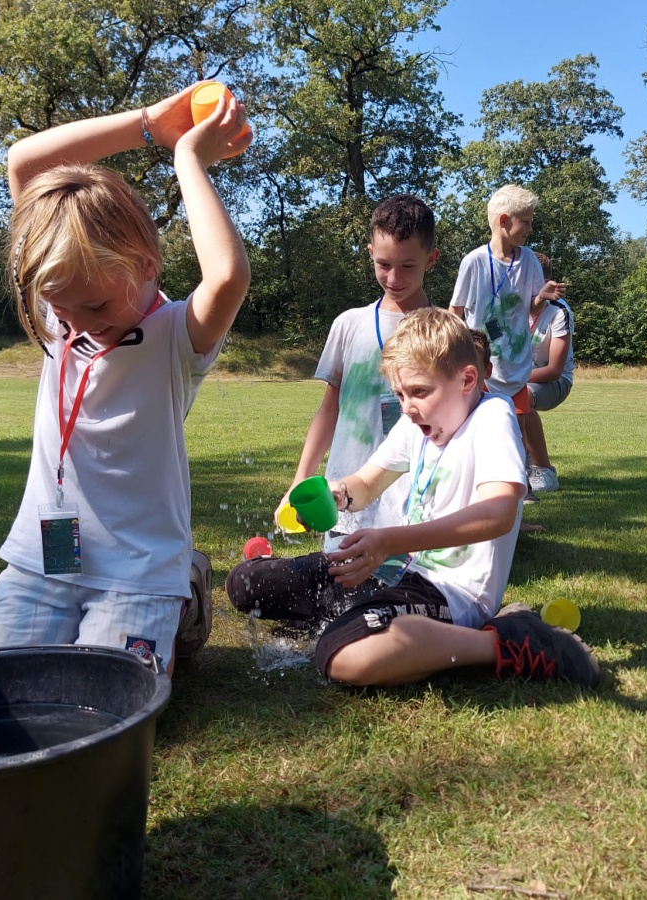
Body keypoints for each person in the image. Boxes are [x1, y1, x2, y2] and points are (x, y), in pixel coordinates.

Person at [0, 83, 253, 675]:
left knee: (103, 705)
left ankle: (183, 596)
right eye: (58, 307)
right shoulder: (63, 309)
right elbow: (24, 161)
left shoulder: (178, 336)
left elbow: (226, 276)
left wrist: (187, 158)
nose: (73, 323)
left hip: (139, 570)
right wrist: (148, 121)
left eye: (94, 308)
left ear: (146, 265)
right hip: (45, 562)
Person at [228, 309, 600, 688]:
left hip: (453, 594)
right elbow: (367, 484)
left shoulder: (492, 417)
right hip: (397, 574)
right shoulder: (415, 424)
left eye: (419, 392)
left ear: (467, 380)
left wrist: (390, 541)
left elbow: (500, 513)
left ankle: (510, 639)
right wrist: (338, 494)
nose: (407, 406)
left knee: (343, 658)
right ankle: (362, 622)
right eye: (400, 394)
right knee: (247, 583)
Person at [279, 195, 440, 552]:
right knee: (340, 594)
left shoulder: (445, 332)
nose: (394, 277)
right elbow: (329, 408)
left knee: (400, 599)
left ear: (432, 259)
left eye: (408, 266)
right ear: (369, 252)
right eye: (384, 264)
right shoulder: (350, 324)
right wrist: (302, 476)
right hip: (345, 493)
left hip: (414, 501)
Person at [450, 185, 562, 427]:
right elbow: (454, 315)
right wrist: (462, 358)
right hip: (482, 369)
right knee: (482, 431)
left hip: (517, 370)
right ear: (504, 220)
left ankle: (525, 466)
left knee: (517, 435)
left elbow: (532, 310)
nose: (530, 229)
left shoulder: (529, 258)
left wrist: (542, 296)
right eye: (525, 222)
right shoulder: (474, 262)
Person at [522, 251, 573, 493]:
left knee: (521, 397)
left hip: (555, 382)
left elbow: (555, 370)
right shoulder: (513, 307)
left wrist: (512, 378)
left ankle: (544, 471)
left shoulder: (559, 311)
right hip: (518, 378)